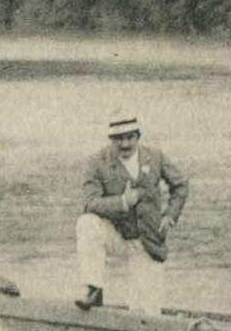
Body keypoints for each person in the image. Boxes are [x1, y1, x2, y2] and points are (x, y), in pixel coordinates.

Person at [75, 116, 190, 311]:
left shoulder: (155, 156)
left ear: (138, 137)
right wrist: (122, 202)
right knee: (86, 223)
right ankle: (93, 289)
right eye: (119, 139)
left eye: (130, 137)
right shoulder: (95, 162)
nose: (125, 144)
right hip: (117, 235)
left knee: (145, 310)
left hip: (147, 241)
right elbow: (90, 203)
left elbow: (180, 185)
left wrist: (170, 215)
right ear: (111, 139)